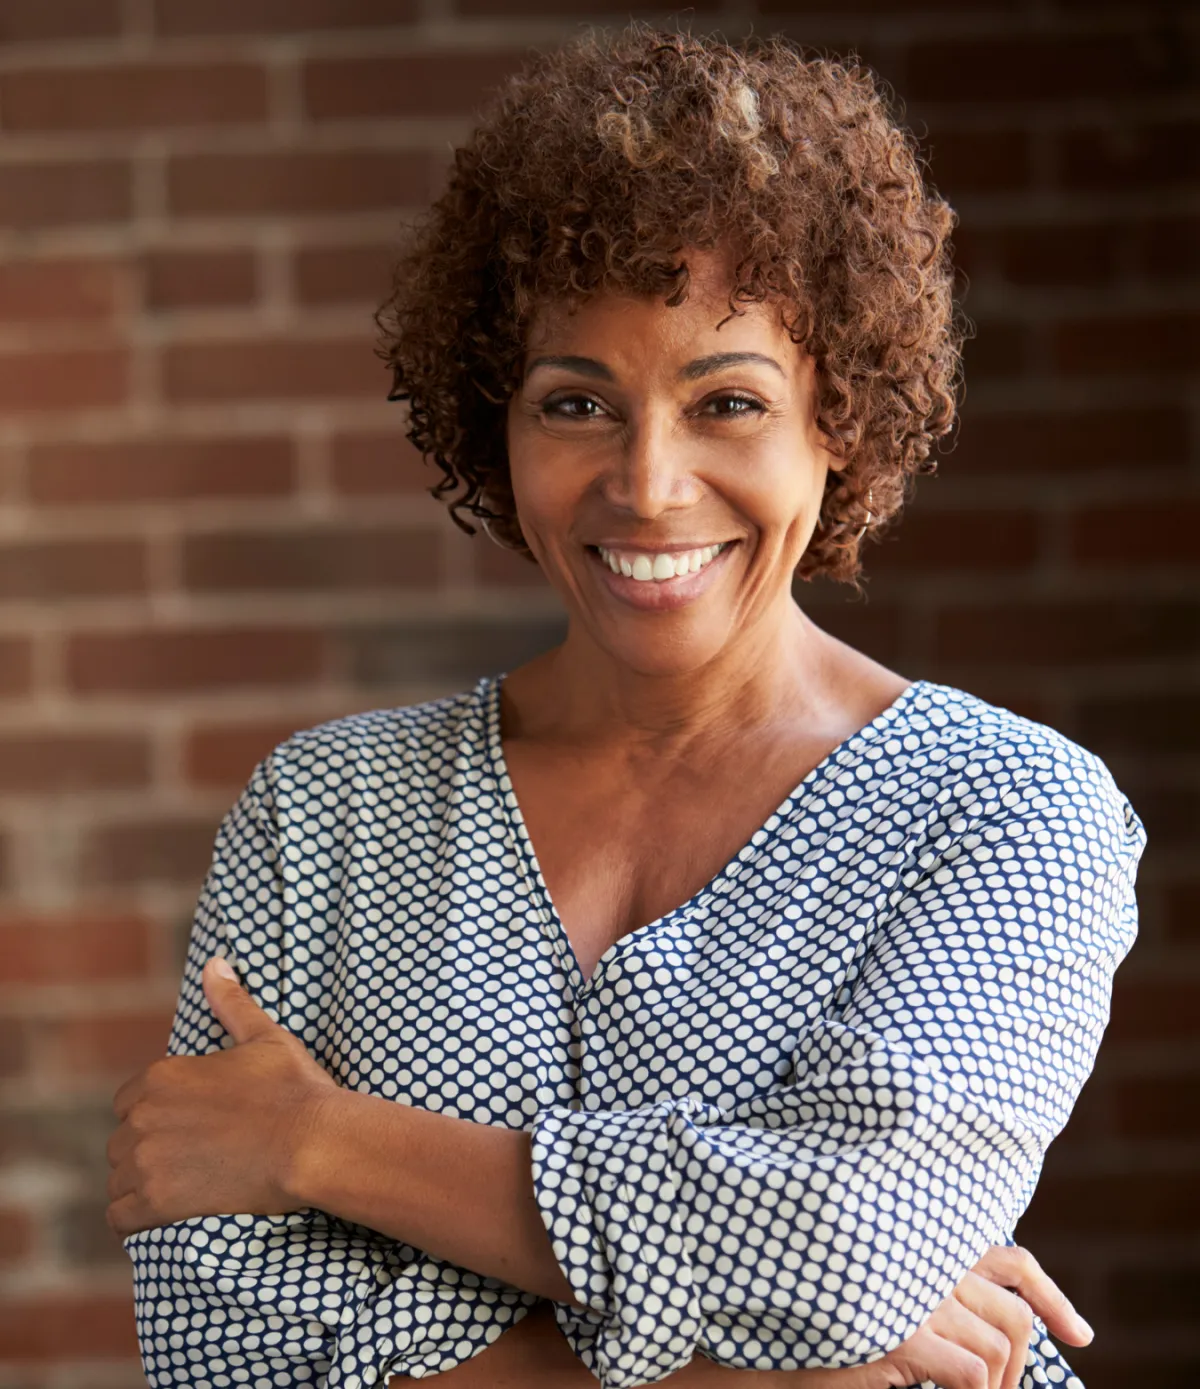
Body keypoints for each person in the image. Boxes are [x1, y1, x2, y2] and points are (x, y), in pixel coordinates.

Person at [107, 26, 1142, 1389]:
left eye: (727, 403)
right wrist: (797, 1365)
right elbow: (217, 1335)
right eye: (577, 402)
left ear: (840, 423)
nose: (649, 485)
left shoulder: (1009, 810)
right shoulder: (327, 813)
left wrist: (319, 1146)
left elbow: (845, 1245)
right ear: (501, 427)